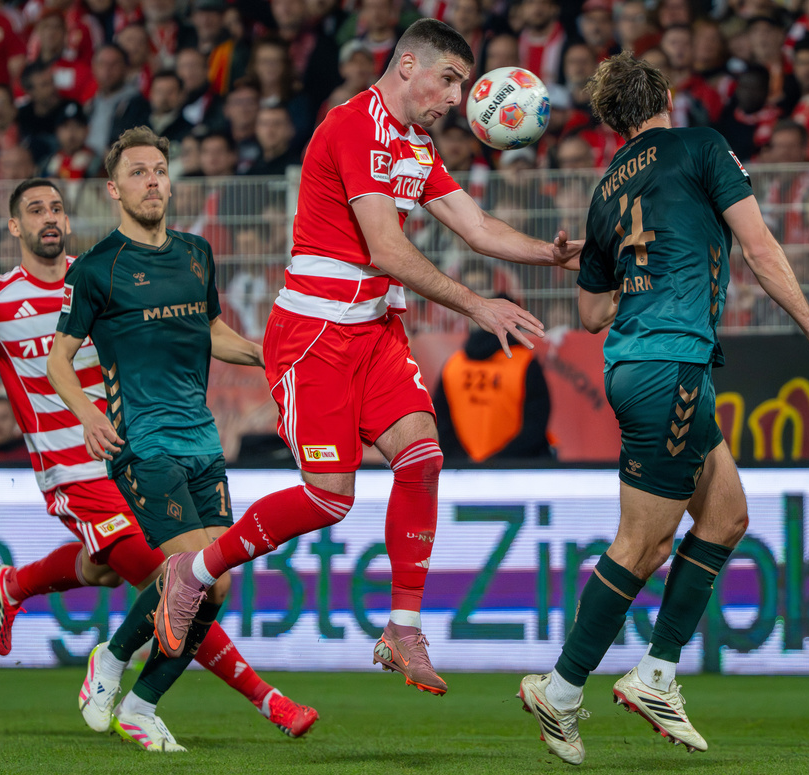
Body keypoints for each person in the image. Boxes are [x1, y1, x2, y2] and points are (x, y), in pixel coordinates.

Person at [153, 18, 576, 697]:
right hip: (315, 335)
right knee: (329, 497)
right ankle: (193, 571)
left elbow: (476, 226)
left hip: (375, 329)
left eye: (464, 84)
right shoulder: (354, 125)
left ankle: (402, 626)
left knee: (423, 454)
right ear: (407, 65)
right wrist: (476, 304)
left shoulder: (417, 141)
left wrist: (553, 254)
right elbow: (384, 246)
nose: (457, 97)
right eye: (449, 79)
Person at [517, 52, 809, 766]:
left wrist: (584, 255)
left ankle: (658, 673)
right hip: (672, 363)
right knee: (643, 545)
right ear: (667, 96)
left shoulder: (606, 189)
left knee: (726, 514)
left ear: (613, 122)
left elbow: (593, 311)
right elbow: (757, 245)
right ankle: (564, 686)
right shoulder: (701, 146)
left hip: (644, 362)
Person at [0, 176, 317, 752]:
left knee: (115, 570)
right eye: (34, 210)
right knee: (177, 579)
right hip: (73, 472)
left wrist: (263, 356)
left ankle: (14, 584)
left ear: (70, 220)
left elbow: (200, 331)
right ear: (14, 226)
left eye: (56, 208)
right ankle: (260, 699)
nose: (49, 218)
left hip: (137, 454)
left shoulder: (102, 276)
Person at [46, 129, 317, 752]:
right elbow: (60, 359)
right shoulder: (96, 269)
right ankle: (111, 662)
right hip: (142, 442)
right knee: (189, 572)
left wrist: (267, 359)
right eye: (139, 173)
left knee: (216, 584)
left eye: (160, 171)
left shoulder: (197, 254)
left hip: (202, 442)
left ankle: (142, 704)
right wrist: (89, 414)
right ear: (114, 189)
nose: (152, 182)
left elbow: (211, 331)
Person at [433, 294, 554, 464]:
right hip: (516, 468)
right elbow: (536, 424)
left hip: (464, 469)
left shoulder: (455, 363)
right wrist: (498, 463)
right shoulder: (524, 362)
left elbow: (440, 422)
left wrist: (464, 461)